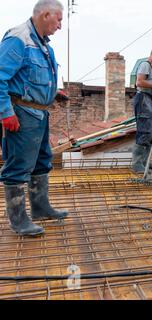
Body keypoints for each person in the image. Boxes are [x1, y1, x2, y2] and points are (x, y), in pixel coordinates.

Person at [0, 0, 68, 237]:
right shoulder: (19, 39)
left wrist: (52, 93)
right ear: (46, 14)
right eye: (58, 19)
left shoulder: (43, 45)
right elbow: (0, 77)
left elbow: (31, 77)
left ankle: (40, 208)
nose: (60, 25)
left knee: (41, 160)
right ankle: (18, 220)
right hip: (22, 114)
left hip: (40, 112)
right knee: (19, 166)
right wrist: (6, 112)